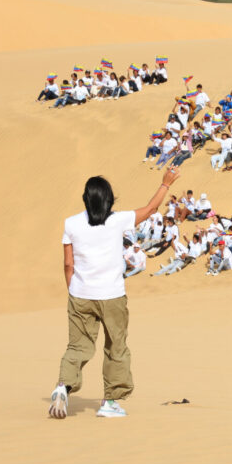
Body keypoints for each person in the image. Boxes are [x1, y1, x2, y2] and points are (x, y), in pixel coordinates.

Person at [48, 166, 181, 420]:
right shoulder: (117, 220)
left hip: (80, 295)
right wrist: (165, 184)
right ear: (108, 199)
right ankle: (110, 401)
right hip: (112, 295)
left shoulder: (71, 223)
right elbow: (151, 209)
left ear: (86, 199)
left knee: (78, 346)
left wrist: (75, 291)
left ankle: (63, 387)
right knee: (116, 347)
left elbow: (68, 265)